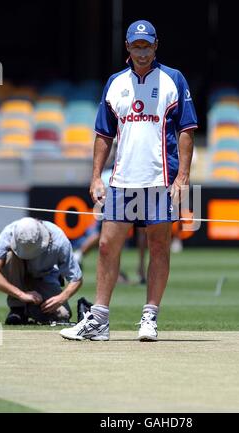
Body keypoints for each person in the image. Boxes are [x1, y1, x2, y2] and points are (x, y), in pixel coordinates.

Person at [60, 19, 198, 342]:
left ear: (156, 45)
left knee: (159, 246)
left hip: (161, 179)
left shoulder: (173, 80)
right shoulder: (115, 83)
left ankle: (149, 317)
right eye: (136, 46)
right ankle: (99, 320)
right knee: (107, 245)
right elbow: (103, 134)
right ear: (127, 47)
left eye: (146, 45)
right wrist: (95, 176)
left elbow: (187, 130)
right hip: (122, 180)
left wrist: (184, 177)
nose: (142, 52)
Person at [0, 217, 82, 324]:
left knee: (62, 315)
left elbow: (76, 278)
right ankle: (17, 309)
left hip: (44, 276)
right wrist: (21, 295)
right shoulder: (8, 233)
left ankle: (29, 310)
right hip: (16, 273)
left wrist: (60, 298)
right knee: (10, 255)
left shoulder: (60, 241)